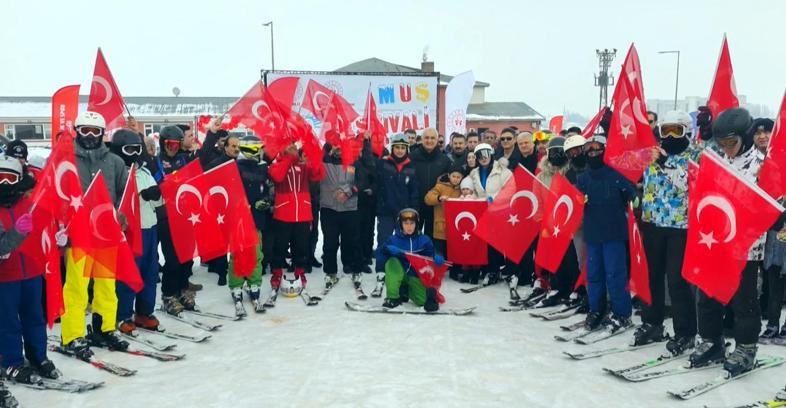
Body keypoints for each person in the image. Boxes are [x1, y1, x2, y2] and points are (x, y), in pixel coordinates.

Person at [689, 108, 774, 376]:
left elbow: (770, 206)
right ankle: (712, 340)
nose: (727, 149)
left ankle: (746, 347)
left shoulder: (761, 165)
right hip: (716, 242)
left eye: (731, 143)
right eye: (722, 144)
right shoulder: (720, 161)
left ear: (746, 137)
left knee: (743, 300)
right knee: (709, 295)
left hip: (746, 247)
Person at [61, 111, 130, 357]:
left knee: (106, 286)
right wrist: (61, 225)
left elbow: (124, 192)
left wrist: (122, 215)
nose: (90, 136)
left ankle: (104, 328)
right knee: (76, 287)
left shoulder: (114, 162)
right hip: (78, 234)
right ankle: (72, 335)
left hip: (105, 234)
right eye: (85, 130)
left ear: (102, 134)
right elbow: (55, 195)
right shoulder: (65, 161)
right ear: (77, 132)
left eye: (95, 131)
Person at [636, 111, 701, 351]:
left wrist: (666, 164)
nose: (671, 136)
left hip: (680, 226)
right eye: (666, 131)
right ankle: (652, 322)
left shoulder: (695, 155)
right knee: (651, 276)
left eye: (676, 130)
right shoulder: (651, 153)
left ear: (687, 131)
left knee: (676, 281)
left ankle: (685, 331)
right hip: (653, 223)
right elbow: (622, 163)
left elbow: (690, 184)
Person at [0, 154, 61, 383]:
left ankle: (38, 356)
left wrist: (60, 236)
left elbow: (48, 225)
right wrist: (17, 231)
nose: (4, 184)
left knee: (34, 317)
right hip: (5, 276)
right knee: (8, 322)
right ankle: (11, 362)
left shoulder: (30, 202)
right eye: (0, 178)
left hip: (32, 273)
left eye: (9, 178)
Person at [576, 135, 636, 334]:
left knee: (615, 274)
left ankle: (622, 313)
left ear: (605, 150)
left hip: (614, 233)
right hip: (593, 234)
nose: (593, 153)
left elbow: (632, 195)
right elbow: (574, 201)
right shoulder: (583, 178)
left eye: (597, 149)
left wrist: (636, 201)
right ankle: (597, 309)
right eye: (589, 150)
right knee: (593, 275)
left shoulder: (616, 174)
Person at [111, 129, 164, 335]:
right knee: (129, 274)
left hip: (150, 227)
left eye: (137, 149)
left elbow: (158, 200)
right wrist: (142, 196)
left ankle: (144, 312)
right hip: (131, 231)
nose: (133, 153)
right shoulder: (118, 171)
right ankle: (122, 314)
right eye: (129, 149)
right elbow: (119, 201)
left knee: (149, 273)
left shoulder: (144, 171)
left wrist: (156, 194)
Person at [267, 143, 325, 294]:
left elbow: (318, 174)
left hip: (303, 214)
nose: (293, 149)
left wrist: (315, 159)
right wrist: (287, 159)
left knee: (301, 246)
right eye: (289, 147)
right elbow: (278, 177)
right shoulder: (276, 165)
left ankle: (300, 271)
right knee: (279, 247)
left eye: (294, 147)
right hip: (283, 214)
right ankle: (277, 273)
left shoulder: (303, 166)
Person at [155, 125, 199, 316]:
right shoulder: (156, 161)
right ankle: (168, 294)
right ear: (163, 143)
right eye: (170, 144)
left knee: (187, 256)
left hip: (186, 214)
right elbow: (157, 183)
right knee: (172, 259)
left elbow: (204, 158)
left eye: (177, 144)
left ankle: (182, 289)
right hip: (166, 216)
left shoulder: (184, 159)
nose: (173, 148)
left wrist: (212, 134)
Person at [535, 137, 580, 306]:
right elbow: (537, 201)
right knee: (554, 258)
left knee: (571, 258)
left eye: (560, 152)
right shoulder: (541, 176)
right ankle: (557, 287)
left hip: (569, 224)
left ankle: (575, 288)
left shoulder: (571, 172)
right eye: (553, 152)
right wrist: (542, 222)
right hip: (550, 225)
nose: (557, 155)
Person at [373, 133, 419, 296]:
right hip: (386, 211)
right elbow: (377, 185)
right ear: (392, 148)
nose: (400, 151)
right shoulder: (383, 164)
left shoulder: (411, 166)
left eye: (402, 148)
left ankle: (402, 270)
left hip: (404, 213)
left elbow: (414, 191)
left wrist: (413, 211)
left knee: (403, 244)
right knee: (383, 242)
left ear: (406, 149)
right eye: (397, 147)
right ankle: (380, 271)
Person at [228, 135, 268, 315]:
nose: (260, 151)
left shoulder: (262, 167)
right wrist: (241, 204)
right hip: (239, 220)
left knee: (256, 253)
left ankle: (254, 284)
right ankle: (236, 286)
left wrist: (264, 200)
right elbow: (229, 193)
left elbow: (265, 189)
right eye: (257, 148)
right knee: (238, 253)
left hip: (256, 219)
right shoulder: (234, 167)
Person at [319, 142, 365, 290]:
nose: (338, 148)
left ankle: (356, 270)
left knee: (353, 242)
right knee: (330, 243)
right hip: (329, 208)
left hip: (349, 208)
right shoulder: (323, 160)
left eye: (341, 145)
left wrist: (348, 191)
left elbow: (362, 180)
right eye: (335, 145)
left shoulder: (354, 161)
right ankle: (330, 272)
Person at [377, 208, 442, 311]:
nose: (409, 226)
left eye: (412, 223)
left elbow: (432, 252)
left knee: (422, 301)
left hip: (415, 274)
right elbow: (380, 254)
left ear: (416, 224)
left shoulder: (424, 239)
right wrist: (386, 250)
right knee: (392, 262)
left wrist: (437, 256)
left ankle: (405, 290)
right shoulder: (393, 239)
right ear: (400, 224)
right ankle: (392, 297)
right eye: (406, 223)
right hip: (399, 271)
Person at [468, 143, 512, 284]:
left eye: (486, 154)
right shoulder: (474, 173)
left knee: (497, 243)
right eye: (480, 156)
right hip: (483, 212)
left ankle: (499, 270)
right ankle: (489, 269)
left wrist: (497, 199)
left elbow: (511, 189)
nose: (483, 158)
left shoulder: (502, 171)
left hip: (500, 211)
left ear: (491, 154)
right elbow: (475, 191)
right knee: (486, 243)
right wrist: (474, 199)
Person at [205, 134, 242, 286]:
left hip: (237, 208)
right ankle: (222, 272)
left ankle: (237, 269)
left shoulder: (241, 164)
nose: (236, 149)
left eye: (238, 146)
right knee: (221, 242)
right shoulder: (216, 164)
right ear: (225, 147)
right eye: (233, 146)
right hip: (220, 209)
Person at [409, 128, 451, 239]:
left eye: (432, 138)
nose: (429, 141)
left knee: (431, 240)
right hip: (415, 205)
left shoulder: (444, 160)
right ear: (422, 139)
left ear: (437, 140)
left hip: (435, 206)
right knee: (412, 237)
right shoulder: (412, 157)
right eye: (426, 138)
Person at [424, 161, 464, 257]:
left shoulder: (462, 189)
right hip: (440, 229)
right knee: (439, 254)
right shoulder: (440, 186)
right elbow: (427, 198)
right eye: (454, 176)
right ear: (449, 175)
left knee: (452, 255)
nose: (455, 179)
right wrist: (438, 198)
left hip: (455, 229)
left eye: (458, 177)